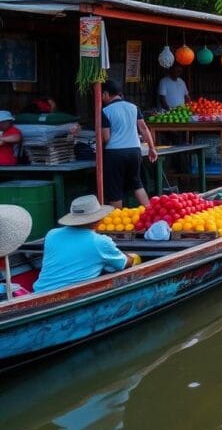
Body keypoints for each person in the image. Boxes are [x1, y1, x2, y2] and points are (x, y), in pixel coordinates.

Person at [32, 195, 140, 293]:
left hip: (39, 292)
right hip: (69, 296)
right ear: (97, 220)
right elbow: (125, 263)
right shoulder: (100, 242)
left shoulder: (51, 234)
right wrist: (131, 256)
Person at [101, 80, 158, 208]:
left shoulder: (105, 111)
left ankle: (117, 221)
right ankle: (149, 211)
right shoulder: (133, 107)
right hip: (134, 151)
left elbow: (106, 137)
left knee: (115, 188)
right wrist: (152, 148)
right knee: (137, 183)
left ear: (105, 94)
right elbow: (143, 128)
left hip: (115, 152)